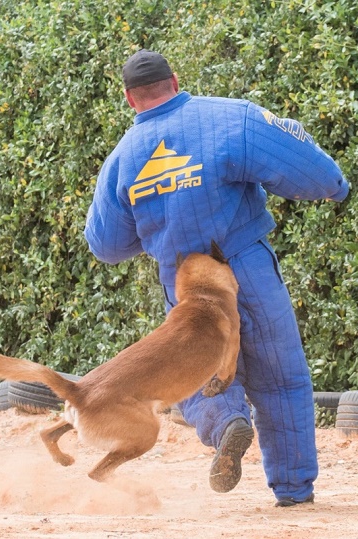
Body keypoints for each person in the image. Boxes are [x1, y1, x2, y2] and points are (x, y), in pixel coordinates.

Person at [84, 50, 349, 506]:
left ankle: (227, 423)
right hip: (245, 267)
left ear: (130, 99)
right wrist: (335, 188)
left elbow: (106, 245)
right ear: (175, 80)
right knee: (281, 378)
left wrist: (154, 225)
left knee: (190, 375)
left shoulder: (122, 160)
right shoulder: (231, 118)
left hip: (183, 285)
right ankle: (293, 490)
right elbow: (312, 169)